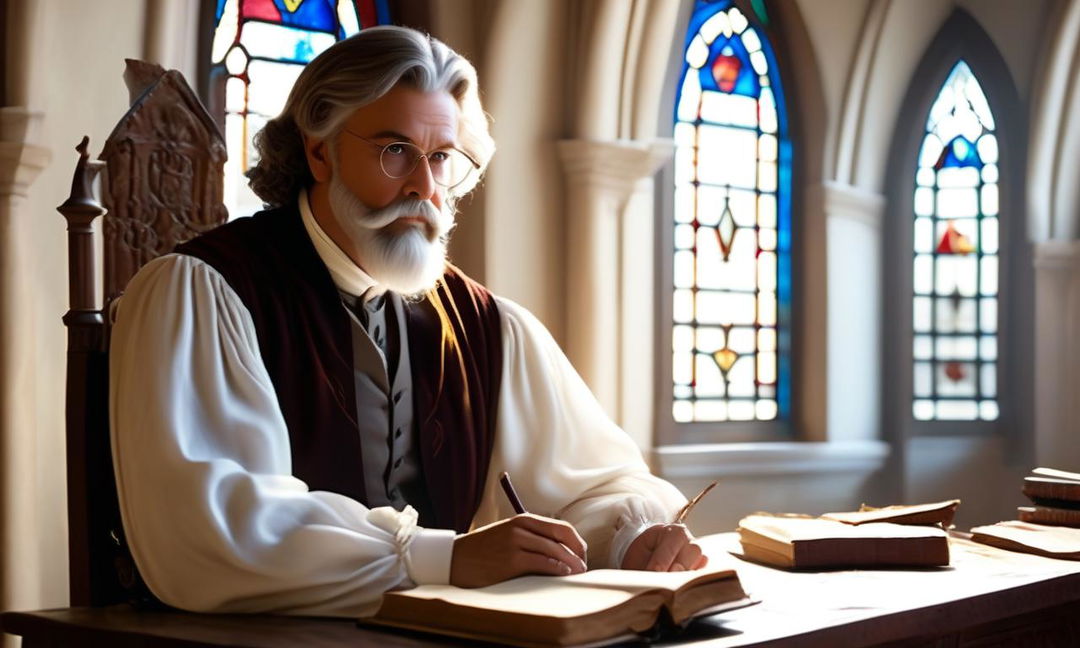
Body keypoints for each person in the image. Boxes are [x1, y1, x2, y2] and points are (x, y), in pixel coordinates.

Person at [109, 25, 705, 618]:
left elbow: (602, 483)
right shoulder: (204, 291)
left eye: (441, 158)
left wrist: (632, 539)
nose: (425, 187)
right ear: (319, 149)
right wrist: (439, 558)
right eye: (395, 151)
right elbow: (214, 532)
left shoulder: (486, 324)